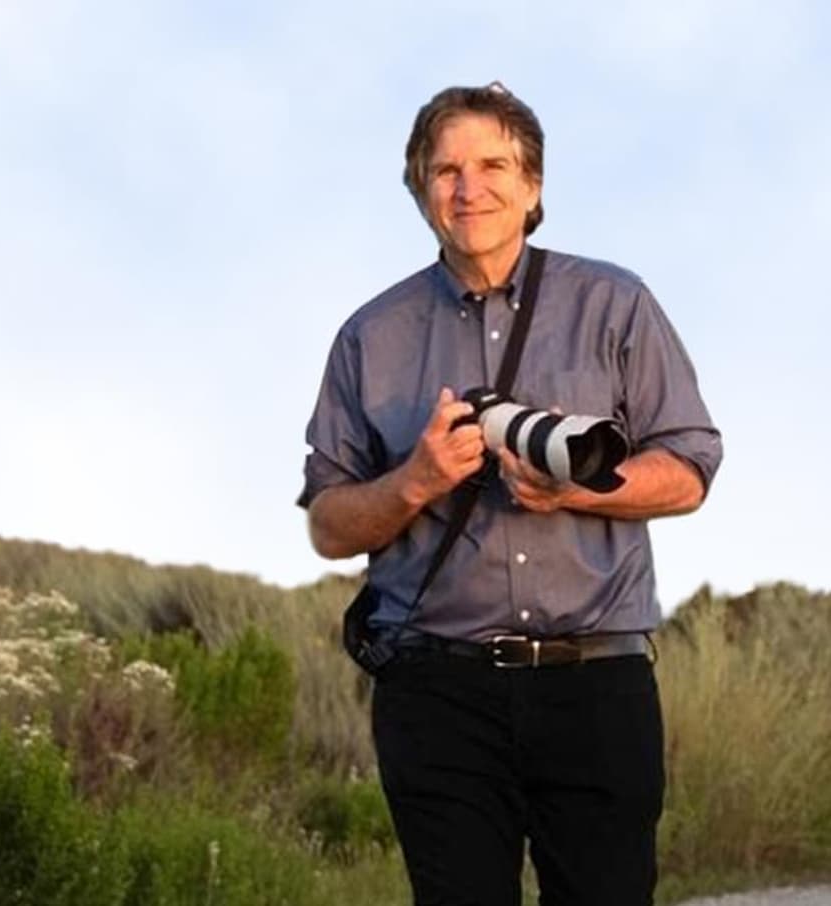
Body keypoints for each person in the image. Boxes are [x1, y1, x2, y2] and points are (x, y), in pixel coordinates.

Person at [297, 83, 723, 905]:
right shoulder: (370, 336)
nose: (470, 188)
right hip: (437, 689)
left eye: (493, 165)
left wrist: (579, 491)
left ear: (532, 185)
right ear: (420, 190)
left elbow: (691, 467)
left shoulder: (614, 304)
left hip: (594, 682)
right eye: (445, 170)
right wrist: (415, 482)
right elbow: (328, 526)